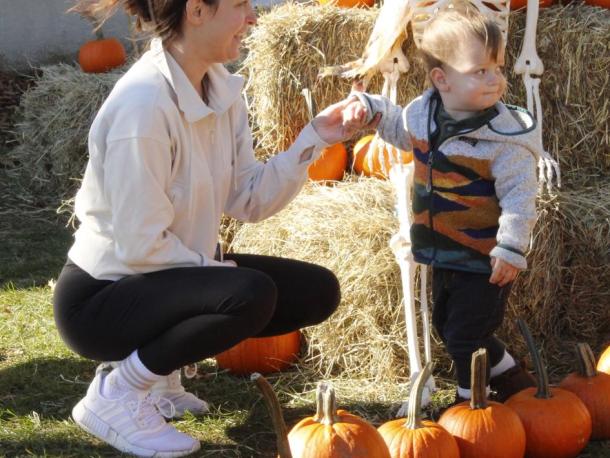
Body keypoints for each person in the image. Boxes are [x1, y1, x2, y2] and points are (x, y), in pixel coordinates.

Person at [53, 0, 365, 456]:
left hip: (163, 278)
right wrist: (215, 271)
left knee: (316, 290)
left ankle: (159, 380)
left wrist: (314, 138)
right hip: (100, 301)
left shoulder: (220, 89)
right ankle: (118, 392)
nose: (253, 17)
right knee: (247, 293)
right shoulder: (142, 106)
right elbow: (141, 246)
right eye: (240, 4)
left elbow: (248, 200)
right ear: (197, 11)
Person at [342, 3, 538, 406]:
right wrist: (373, 112)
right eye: (479, 71)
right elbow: (398, 129)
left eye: (497, 69)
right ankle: (514, 379)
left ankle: (472, 405)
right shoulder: (425, 116)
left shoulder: (503, 139)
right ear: (441, 79)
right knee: (451, 329)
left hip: (486, 258)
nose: (495, 80)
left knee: (466, 335)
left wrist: (511, 247)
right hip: (443, 252)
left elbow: (520, 196)